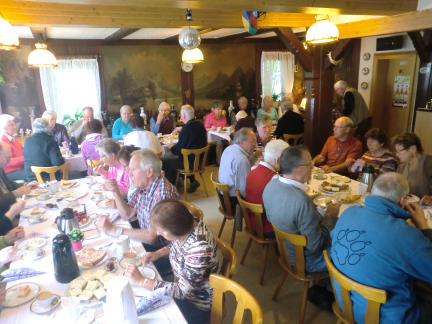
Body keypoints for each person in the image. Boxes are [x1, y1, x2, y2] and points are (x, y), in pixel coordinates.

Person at [330, 172, 432, 324]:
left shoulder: (348, 212)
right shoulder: (404, 234)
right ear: (403, 200)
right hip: (385, 318)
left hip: (346, 305)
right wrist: (424, 228)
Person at [124, 199, 218, 324]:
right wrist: (158, 254)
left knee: (146, 316)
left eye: (161, 231)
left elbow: (183, 292)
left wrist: (142, 281)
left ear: (175, 229)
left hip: (198, 303)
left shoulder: (200, 249)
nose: (157, 233)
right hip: (182, 285)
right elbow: (179, 245)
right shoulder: (188, 225)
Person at [96, 150, 179, 275]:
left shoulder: (162, 194)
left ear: (149, 171)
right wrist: (115, 191)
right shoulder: (143, 187)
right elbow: (127, 214)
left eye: (133, 169)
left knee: (116, 269)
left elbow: (152, 237)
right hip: (148, 242)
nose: (128, 173)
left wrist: (116, 230)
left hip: (165, 251)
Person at [263, 146, 340, 272]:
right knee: (350, 243)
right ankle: (329, 287)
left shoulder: (270, 185)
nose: (312, 167)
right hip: (305, 261)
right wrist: (330, 217)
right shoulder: (302, 201)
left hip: (285, 251)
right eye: (310, 164)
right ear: (298, 169)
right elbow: (315, 247)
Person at [245, 139, 289, 239]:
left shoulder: (253, 170)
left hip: (251, 222)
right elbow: (283, 208)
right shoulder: (274, 179)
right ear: (277, 160)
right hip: (266, 227)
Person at [163, 105, 207, 191]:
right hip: (199, 162)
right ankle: (193, 181)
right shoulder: (200, 125)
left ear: (183, 116)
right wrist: (182, 129)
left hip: (190, 164)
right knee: (187, 155)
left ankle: (172, 189)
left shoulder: (186, 129)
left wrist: (171, 147)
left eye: (180, 115)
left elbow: (178, 150)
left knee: (166, 161)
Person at [219, 127, 257, 207]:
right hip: (233, 203)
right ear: (242, 142)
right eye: (252, 141)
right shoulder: (241, 160)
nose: (255, 145)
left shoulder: (229, 149)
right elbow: (244, 191)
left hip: (223, 197)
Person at [393, 133, 432, 204]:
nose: (396, 154)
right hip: (408, 207)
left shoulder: (429, 164)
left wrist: (430, 198)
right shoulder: (401, 167)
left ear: (413, 149)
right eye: (396, 151)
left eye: (399, 151)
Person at [23, 118, 65, 182]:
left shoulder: (27, 141)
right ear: (48, 128)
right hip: (49, 179)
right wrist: (62, 159)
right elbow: (57, 162)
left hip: (31, 180)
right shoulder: (50, 141)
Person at [0, 114, 25, 181]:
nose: (15, 127)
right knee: (34, 173)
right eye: (11, 125)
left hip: (21, 168)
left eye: (14, 124)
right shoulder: (3, 142)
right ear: (4, 128)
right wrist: (25, 158)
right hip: (10, 172)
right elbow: (7, 162)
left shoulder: (13, 139)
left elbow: (24, 151)